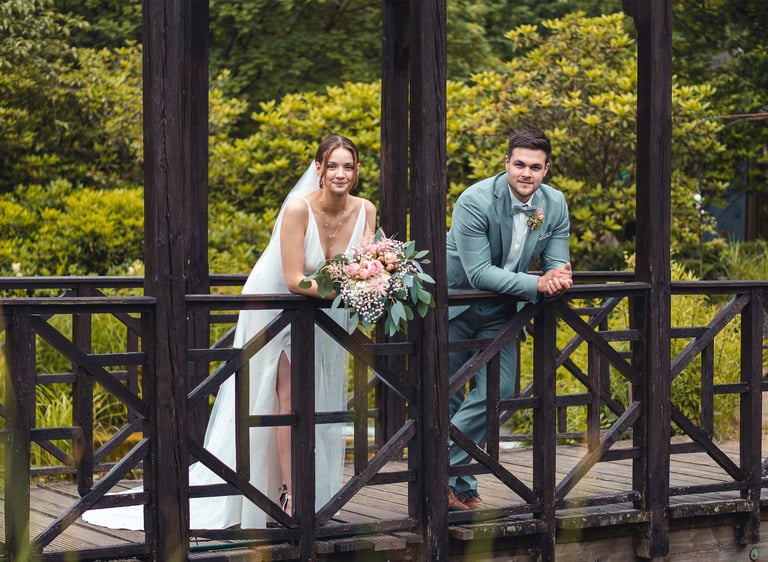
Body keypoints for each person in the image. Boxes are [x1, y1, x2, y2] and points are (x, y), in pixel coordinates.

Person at [82, 134, 376, 529]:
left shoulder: (366, 210)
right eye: (333, 165)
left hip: (320, 313)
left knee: (315, 393)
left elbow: (366, 265)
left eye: (348, 166)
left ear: (357, 172)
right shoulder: (297, 209)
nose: (341, 173)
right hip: (274, 307)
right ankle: (292, 495)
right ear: (319, 169)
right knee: (285, 395)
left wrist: (373, 283)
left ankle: (302, 485)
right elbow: (294, 279)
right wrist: (350, 288)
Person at [445, 129, 572, 511]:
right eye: (519, 164)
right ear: (506, 163)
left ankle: (438, 467)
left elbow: (556, 260)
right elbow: (479, 272)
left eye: (535, 166)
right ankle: (460, 487)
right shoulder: (475, 200)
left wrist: (559, 278)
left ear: (546, 169)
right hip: (455, 305)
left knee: (498, 393)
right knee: (447, 397)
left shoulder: (554, 203)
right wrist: (538, 283)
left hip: (502, 312)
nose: (526, 173)